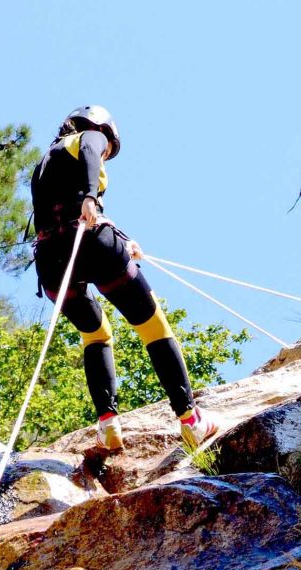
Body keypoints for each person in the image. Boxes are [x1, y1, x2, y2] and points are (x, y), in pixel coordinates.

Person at [30, 105, 218, 452]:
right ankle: (192, 420)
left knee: (95, 333)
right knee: (152, 324)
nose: (105, 153)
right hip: (91, 243)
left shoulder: (43, 165)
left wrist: (124, 238)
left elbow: (62, 211)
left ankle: (108, 424)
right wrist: (90, 194)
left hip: (51, 264)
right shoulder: (87, 137)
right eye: (108, 150)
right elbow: (89, 153)